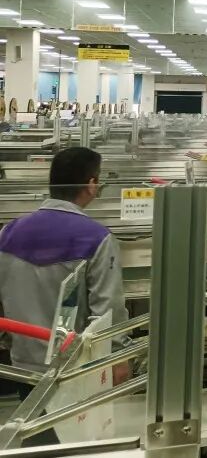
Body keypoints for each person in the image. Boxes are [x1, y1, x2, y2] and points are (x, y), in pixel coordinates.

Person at [0, 148, 129, 446]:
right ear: (91, 184)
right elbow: (107, 308)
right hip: (73, 368)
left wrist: (9, 340)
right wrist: (118, 357)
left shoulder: (8, 233)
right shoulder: (96, 237)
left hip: (22, 365)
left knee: (34, 436)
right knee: (76, 439)